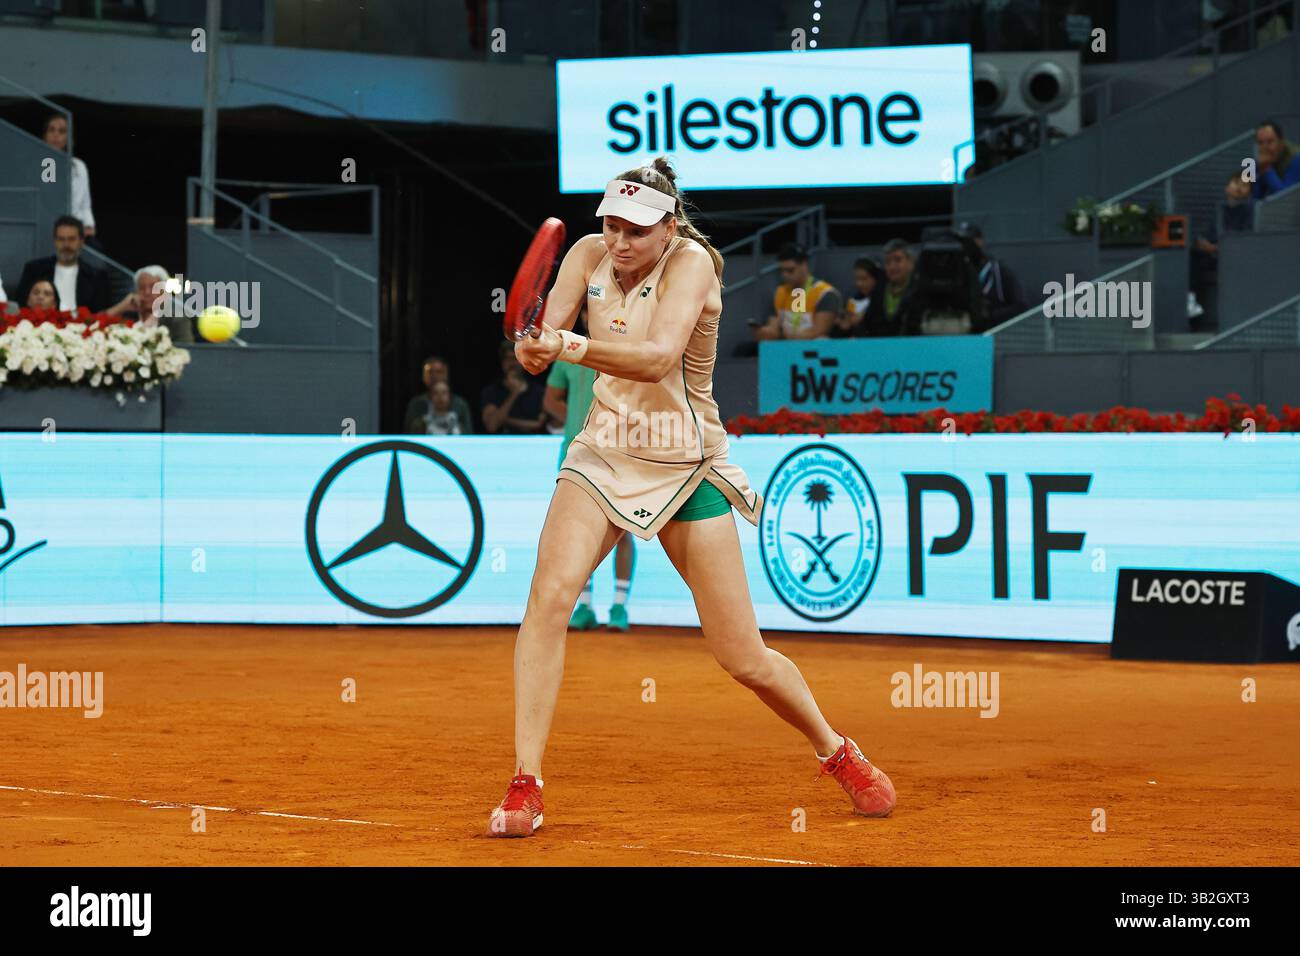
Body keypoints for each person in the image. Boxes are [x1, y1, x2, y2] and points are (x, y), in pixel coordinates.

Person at [488, 156, 896, 837]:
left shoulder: (693, 265)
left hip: (685, 462)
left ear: (669, 226)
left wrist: (561, 344)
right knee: (548, 599)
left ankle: (837, 751)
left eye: (637, 231)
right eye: (612, 226)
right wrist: (534, 352)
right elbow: (545, 337)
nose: (620, 242)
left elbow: (654, 356)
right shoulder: (586, 254)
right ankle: (526, 781)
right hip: (603, 451)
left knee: (743, 657)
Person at [543, 310, 636, 633]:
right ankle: (582, 606)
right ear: (583, 314)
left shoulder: (628, 350)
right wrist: (586, 425)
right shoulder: (566, 351)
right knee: (577, 535)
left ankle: (619, 608)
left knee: (622, 531)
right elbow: (551, 401)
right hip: (576, 453)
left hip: (620, 453)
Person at [1190, 171, 1256, 324]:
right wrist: (1202, 243)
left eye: (1244, 185)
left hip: (1235, 258)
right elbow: (1210, 235)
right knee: (1193, 256)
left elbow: (1242, 241)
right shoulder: (1220, 211)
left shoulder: (1250, 212)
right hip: (1214, 256)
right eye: (1236, 183)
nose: (1239, 188)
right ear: (1227, 188)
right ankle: (1191, 301)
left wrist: (1215, 248)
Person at [13, 216, 111, 314]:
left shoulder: (96, 276)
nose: (66, 245)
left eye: (71, 239)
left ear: (81, 241)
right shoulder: (34, 270)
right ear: (55, 241)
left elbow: (100, 313)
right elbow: (20, 306)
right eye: (61, 239)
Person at [751, 243, 842, 342]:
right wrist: (768, 332)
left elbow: (819, 332)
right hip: (787, 345)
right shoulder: (779, 292)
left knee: (822, 340)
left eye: (790, 270)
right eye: (782, 271)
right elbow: (774, 326)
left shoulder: (825, 294)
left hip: (811, 347)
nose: (785, 275)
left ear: (804, 265)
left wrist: (790, 336)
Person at [956, 221, 1026, 329]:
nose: (964, 246)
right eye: (960, 242)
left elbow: (1020, 306)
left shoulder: (997, 270)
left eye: (968, 241)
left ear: (979, 241)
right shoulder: (952, 271)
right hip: (957, 336)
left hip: (991, 336)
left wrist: (989, 316)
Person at [42, 113, 97, 241]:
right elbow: (49, 200)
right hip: (51, 228)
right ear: (45, 136)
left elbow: (85, 203)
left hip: (77, 228)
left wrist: (89, 224)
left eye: (61, 131)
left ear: (68, 137)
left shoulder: (79, 166)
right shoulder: (45, 163)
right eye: (52, 130)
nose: (56, 135)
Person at [105, 265, 194, 342]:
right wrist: (120, 308)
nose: (147, 292)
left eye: (153, 287)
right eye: (142, 288)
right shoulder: (126, 316)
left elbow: (189, 353)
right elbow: (92, 325)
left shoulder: (176, 320)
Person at [481, 340, 549, 435]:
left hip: (532, 445)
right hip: (501, 445)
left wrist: (506, 421)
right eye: (507, 359)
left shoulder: (539, 392)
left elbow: (539, 425)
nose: (511, 363)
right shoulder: (491, 391)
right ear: (502, 363)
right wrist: (515, 392)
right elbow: (492, 425)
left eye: (515, 358)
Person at [405, 355, 473, 435]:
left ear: (446, 374)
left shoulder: (460, 404)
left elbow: (469, 435)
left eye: (438, 372)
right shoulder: (415, 405)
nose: (434, 376)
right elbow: (408, 435)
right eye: (430, 372)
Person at [831, 256, 886, 338]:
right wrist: (843, 325)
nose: (859, 284)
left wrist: (861, 321)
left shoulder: (884, 300)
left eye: (864, 279)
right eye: (857, 279)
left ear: (876, 278)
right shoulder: (852, 300)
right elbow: (844, 326)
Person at [1251, 120, 1300, 201]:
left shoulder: (1296, 159)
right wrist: (1260, 171)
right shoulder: (1259, 162)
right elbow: (1255, 199)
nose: (1265, 147)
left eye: (1270, 142)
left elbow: (1286, 198)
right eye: (1260, 143)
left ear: (1281, 143)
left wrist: (1267, 169)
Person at [879, 238, 918, 336]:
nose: (892, 267)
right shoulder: (878, 291)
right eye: (888, 262)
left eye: (898, 260)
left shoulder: (920, 291)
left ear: (911, 263)